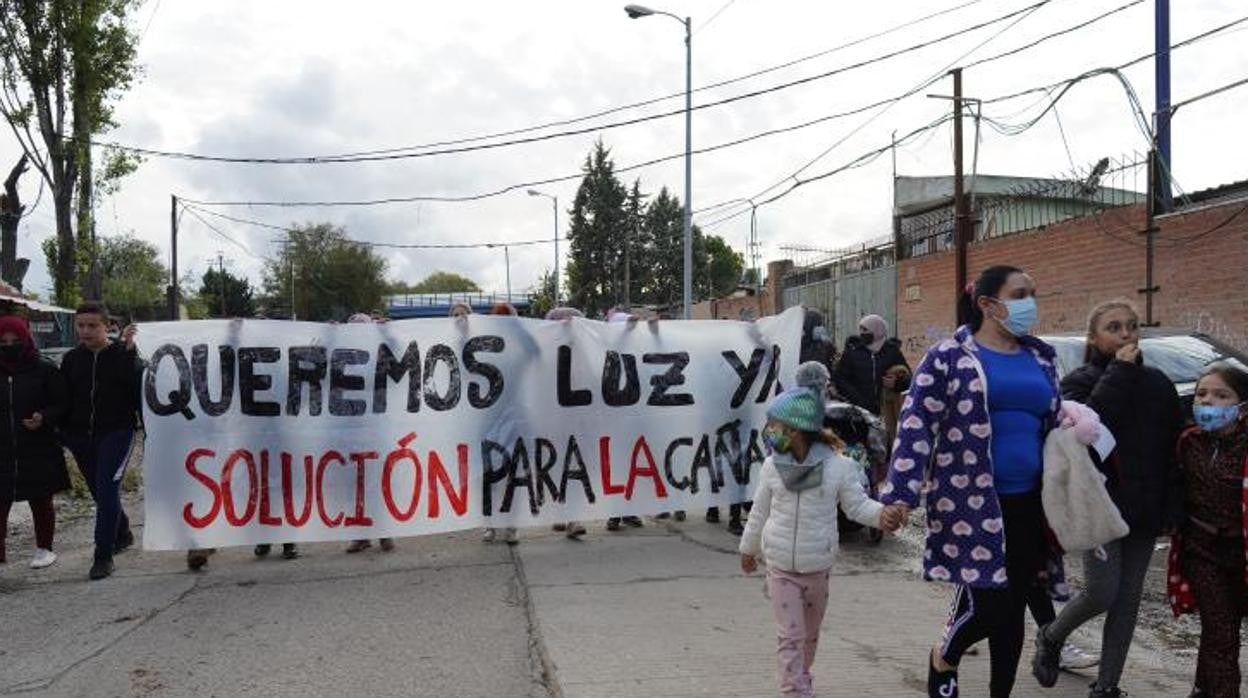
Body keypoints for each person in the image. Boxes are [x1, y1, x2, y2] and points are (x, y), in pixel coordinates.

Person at [880, 266, 1069, 698]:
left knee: (1015, 605)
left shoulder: (1042, 356)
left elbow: (1056, 420)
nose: (1029, 303)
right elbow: (916, 426)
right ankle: (944, 655)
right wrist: (900, 494)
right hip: (972, 503)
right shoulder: (948, 358)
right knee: (991, 605)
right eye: (1020, 294)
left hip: (1032, 502)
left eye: (1032, 293)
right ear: (987, 304)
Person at [1031, 300, 1184, 697]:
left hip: (1144, 507)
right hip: (1097, 505)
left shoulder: (1159, 384)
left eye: (1132, 326)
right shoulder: (1079, 382)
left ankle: (1108, 686)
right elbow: (1088, 428)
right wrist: (1120, 371)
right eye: (1114, 327)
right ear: (1094, 338)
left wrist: (1171, 507)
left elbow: (1172, 450)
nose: (1125, 334)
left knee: (1127, 601)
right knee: (1102, 591)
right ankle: (1051, 636)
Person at [739, 367, 906, 697]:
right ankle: (794, 690)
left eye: (777, 425)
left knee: (809, 636)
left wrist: (883, 515)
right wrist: (748, 549)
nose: (771, 432)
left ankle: (801, 676)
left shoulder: (838, 466)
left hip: (817, 567)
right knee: (790, 635)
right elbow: (759, 510)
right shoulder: (772, 466)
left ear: (799, 429)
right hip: (780, 567)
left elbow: (857, 507)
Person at [1168, 363, 1248, 698]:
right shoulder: (1188, 442)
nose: (1208, 402)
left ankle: (1203, 688)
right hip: (1202, 550)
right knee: (1220, 632)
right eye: (1201, 394)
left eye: (1220, 395)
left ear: (1242, 408)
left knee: (1223, 629)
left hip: (1241, 552)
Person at [61, 302, 144, 581]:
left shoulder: (124, 354)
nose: (85, 331)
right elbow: (63, 398)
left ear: (107, 326)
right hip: (80, 436)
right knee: (99, 491)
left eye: (92, 325)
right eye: (80, 325)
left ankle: (103, 555)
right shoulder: (72, 359)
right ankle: (122, 532)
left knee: (107, 490)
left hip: (117, 433)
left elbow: (139, 390)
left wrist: (131, 356)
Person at [0, 316, 70, 570]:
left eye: (15, 341)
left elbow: (62, 403)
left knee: (41, 500)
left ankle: (45, 548)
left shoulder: (44, 368)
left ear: (26, 340)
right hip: (3, 448)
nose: (9, 346)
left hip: (37, 446)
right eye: (3, 342)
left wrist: (44, 417)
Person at [344, 312, 396, 554]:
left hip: (377, 428)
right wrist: (328, 334)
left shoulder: (381, 353)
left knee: (379, 481)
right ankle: (362, 535)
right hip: (352, 429)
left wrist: (389, 333)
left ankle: (384, 532)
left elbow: (400, 368)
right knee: (356, 485)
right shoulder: (342, 356)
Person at [545, 306, 588, 539]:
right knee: (556, 465)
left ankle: (574, 518)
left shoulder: (588, 351)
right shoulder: (543, 351)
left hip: (579, 418)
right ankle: (559, 512)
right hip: (553, 420)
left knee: (576, 466)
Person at [603, 307, 647, 531]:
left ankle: (628, 512)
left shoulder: (635, 351)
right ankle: (615, 514)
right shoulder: (608, 353)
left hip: (632, 419)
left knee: (632, 466)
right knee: (618, 467)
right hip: (615, 421)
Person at [484, 302, 522, 544]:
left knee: (512, 474)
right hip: (485, 420)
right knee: (487, 475)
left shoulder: (518, 348)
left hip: (513, 419)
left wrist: (519, 328)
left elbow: (536, 351)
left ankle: (511, 525)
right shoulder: (483, 346)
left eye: (507, 319)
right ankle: (490, 524)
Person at [834, 314, 909, 416]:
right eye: (861, 330)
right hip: (859, 411)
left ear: (877, 330)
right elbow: (840, 379)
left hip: (887, 412)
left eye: (865, 330)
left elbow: (908, 377)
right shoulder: (853, 352)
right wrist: (857, 399)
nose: (862, 333)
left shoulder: (892, 351)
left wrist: (897, 384)